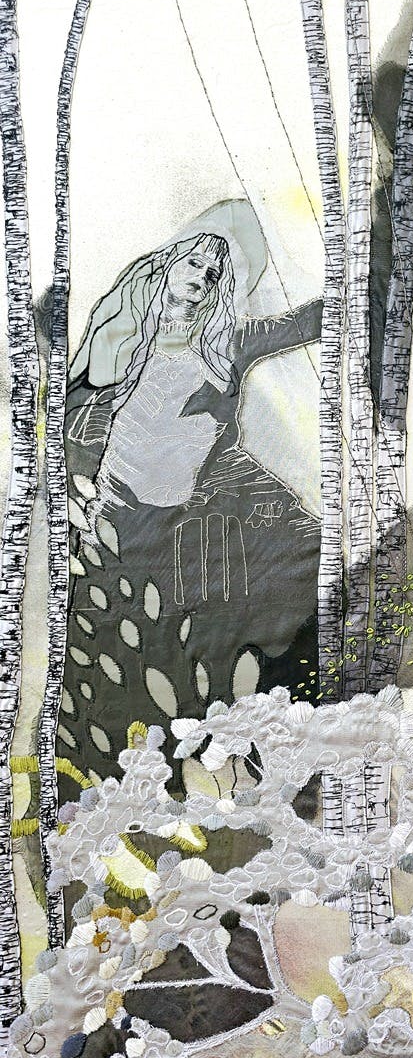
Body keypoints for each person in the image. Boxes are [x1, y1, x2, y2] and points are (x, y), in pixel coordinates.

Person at [61, 209, 323, 784]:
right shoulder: (124, 332)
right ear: (168, 263)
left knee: (239, 617)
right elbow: (75, 403)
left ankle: (245, 745)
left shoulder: (227, 342)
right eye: (195, 263)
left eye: (213, 273)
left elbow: (302, 323)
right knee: (123, 646)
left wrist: (361, 282)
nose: (202, 277)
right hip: (117, 512)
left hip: (189, 510)